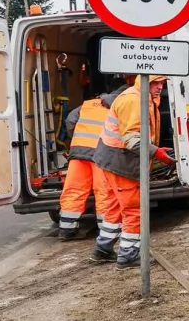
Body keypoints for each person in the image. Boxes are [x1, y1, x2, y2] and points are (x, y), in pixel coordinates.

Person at [91, 75, 174, 268]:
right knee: (133, 210)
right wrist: (157, 152)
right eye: (156, 82)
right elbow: (132, 140)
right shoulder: (133, 101)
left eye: (162, 83)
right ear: (145, 81)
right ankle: (128, 255)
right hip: (122, 163)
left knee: (114, 207)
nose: (160, 87)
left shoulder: (140, 97)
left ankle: (103, 248)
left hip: (112, 160)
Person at [56, 76, 131, 241]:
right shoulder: (119, 105)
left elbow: (70, 120)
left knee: (74, 188)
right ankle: (105, 230)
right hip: (100, 153)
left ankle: (66, 229)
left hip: (78, 151)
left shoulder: (88, 104)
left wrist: (75, 138)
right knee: (103, 191)